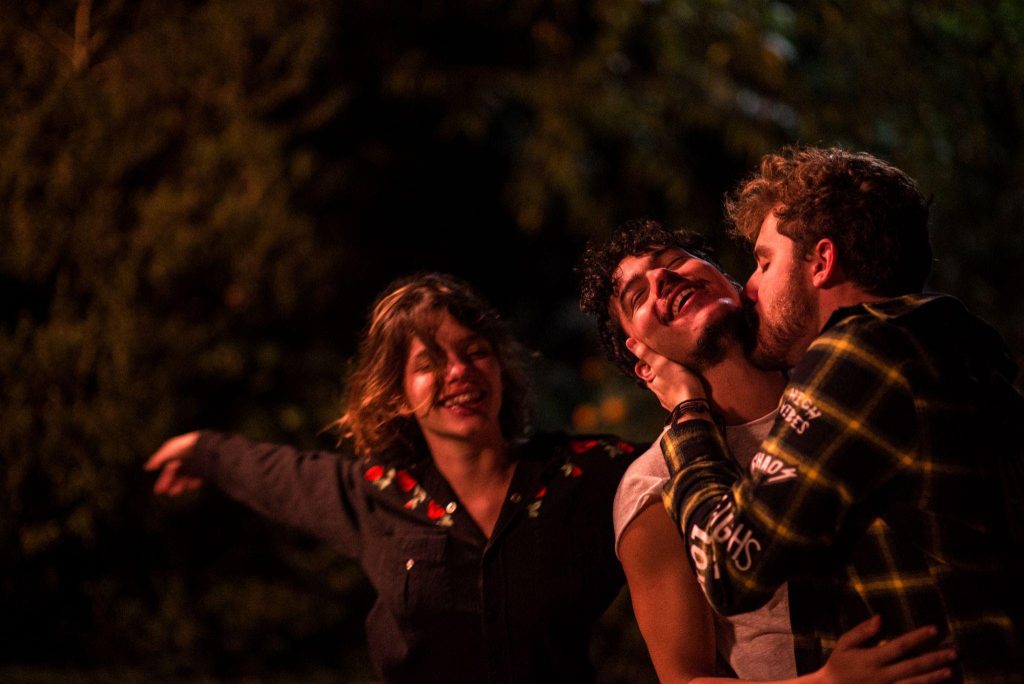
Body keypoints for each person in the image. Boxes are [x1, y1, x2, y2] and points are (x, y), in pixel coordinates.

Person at [625, 148, 1024, 681]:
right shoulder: (928, 342)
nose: (752, 285)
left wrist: (689, 417)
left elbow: (730, 569)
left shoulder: (858, 355)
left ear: (821, 261)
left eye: (765, 262)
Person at [146, 273, 638, 684]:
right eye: (430, 362)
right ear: (399, 394)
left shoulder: (582, 472)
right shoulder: (377, 495)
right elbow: (280, 476)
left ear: (501, 369)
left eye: (474, 351)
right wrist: (202, 451)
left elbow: (677, 467)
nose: (459, 371)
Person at [579, 219, 958, 683]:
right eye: (637, 296)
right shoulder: (653, 484)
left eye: (673, 262)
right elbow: (684, 680)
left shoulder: (848, 388)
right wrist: (828, 683)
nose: (662, 279)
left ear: (734, 283)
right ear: (642, 359)